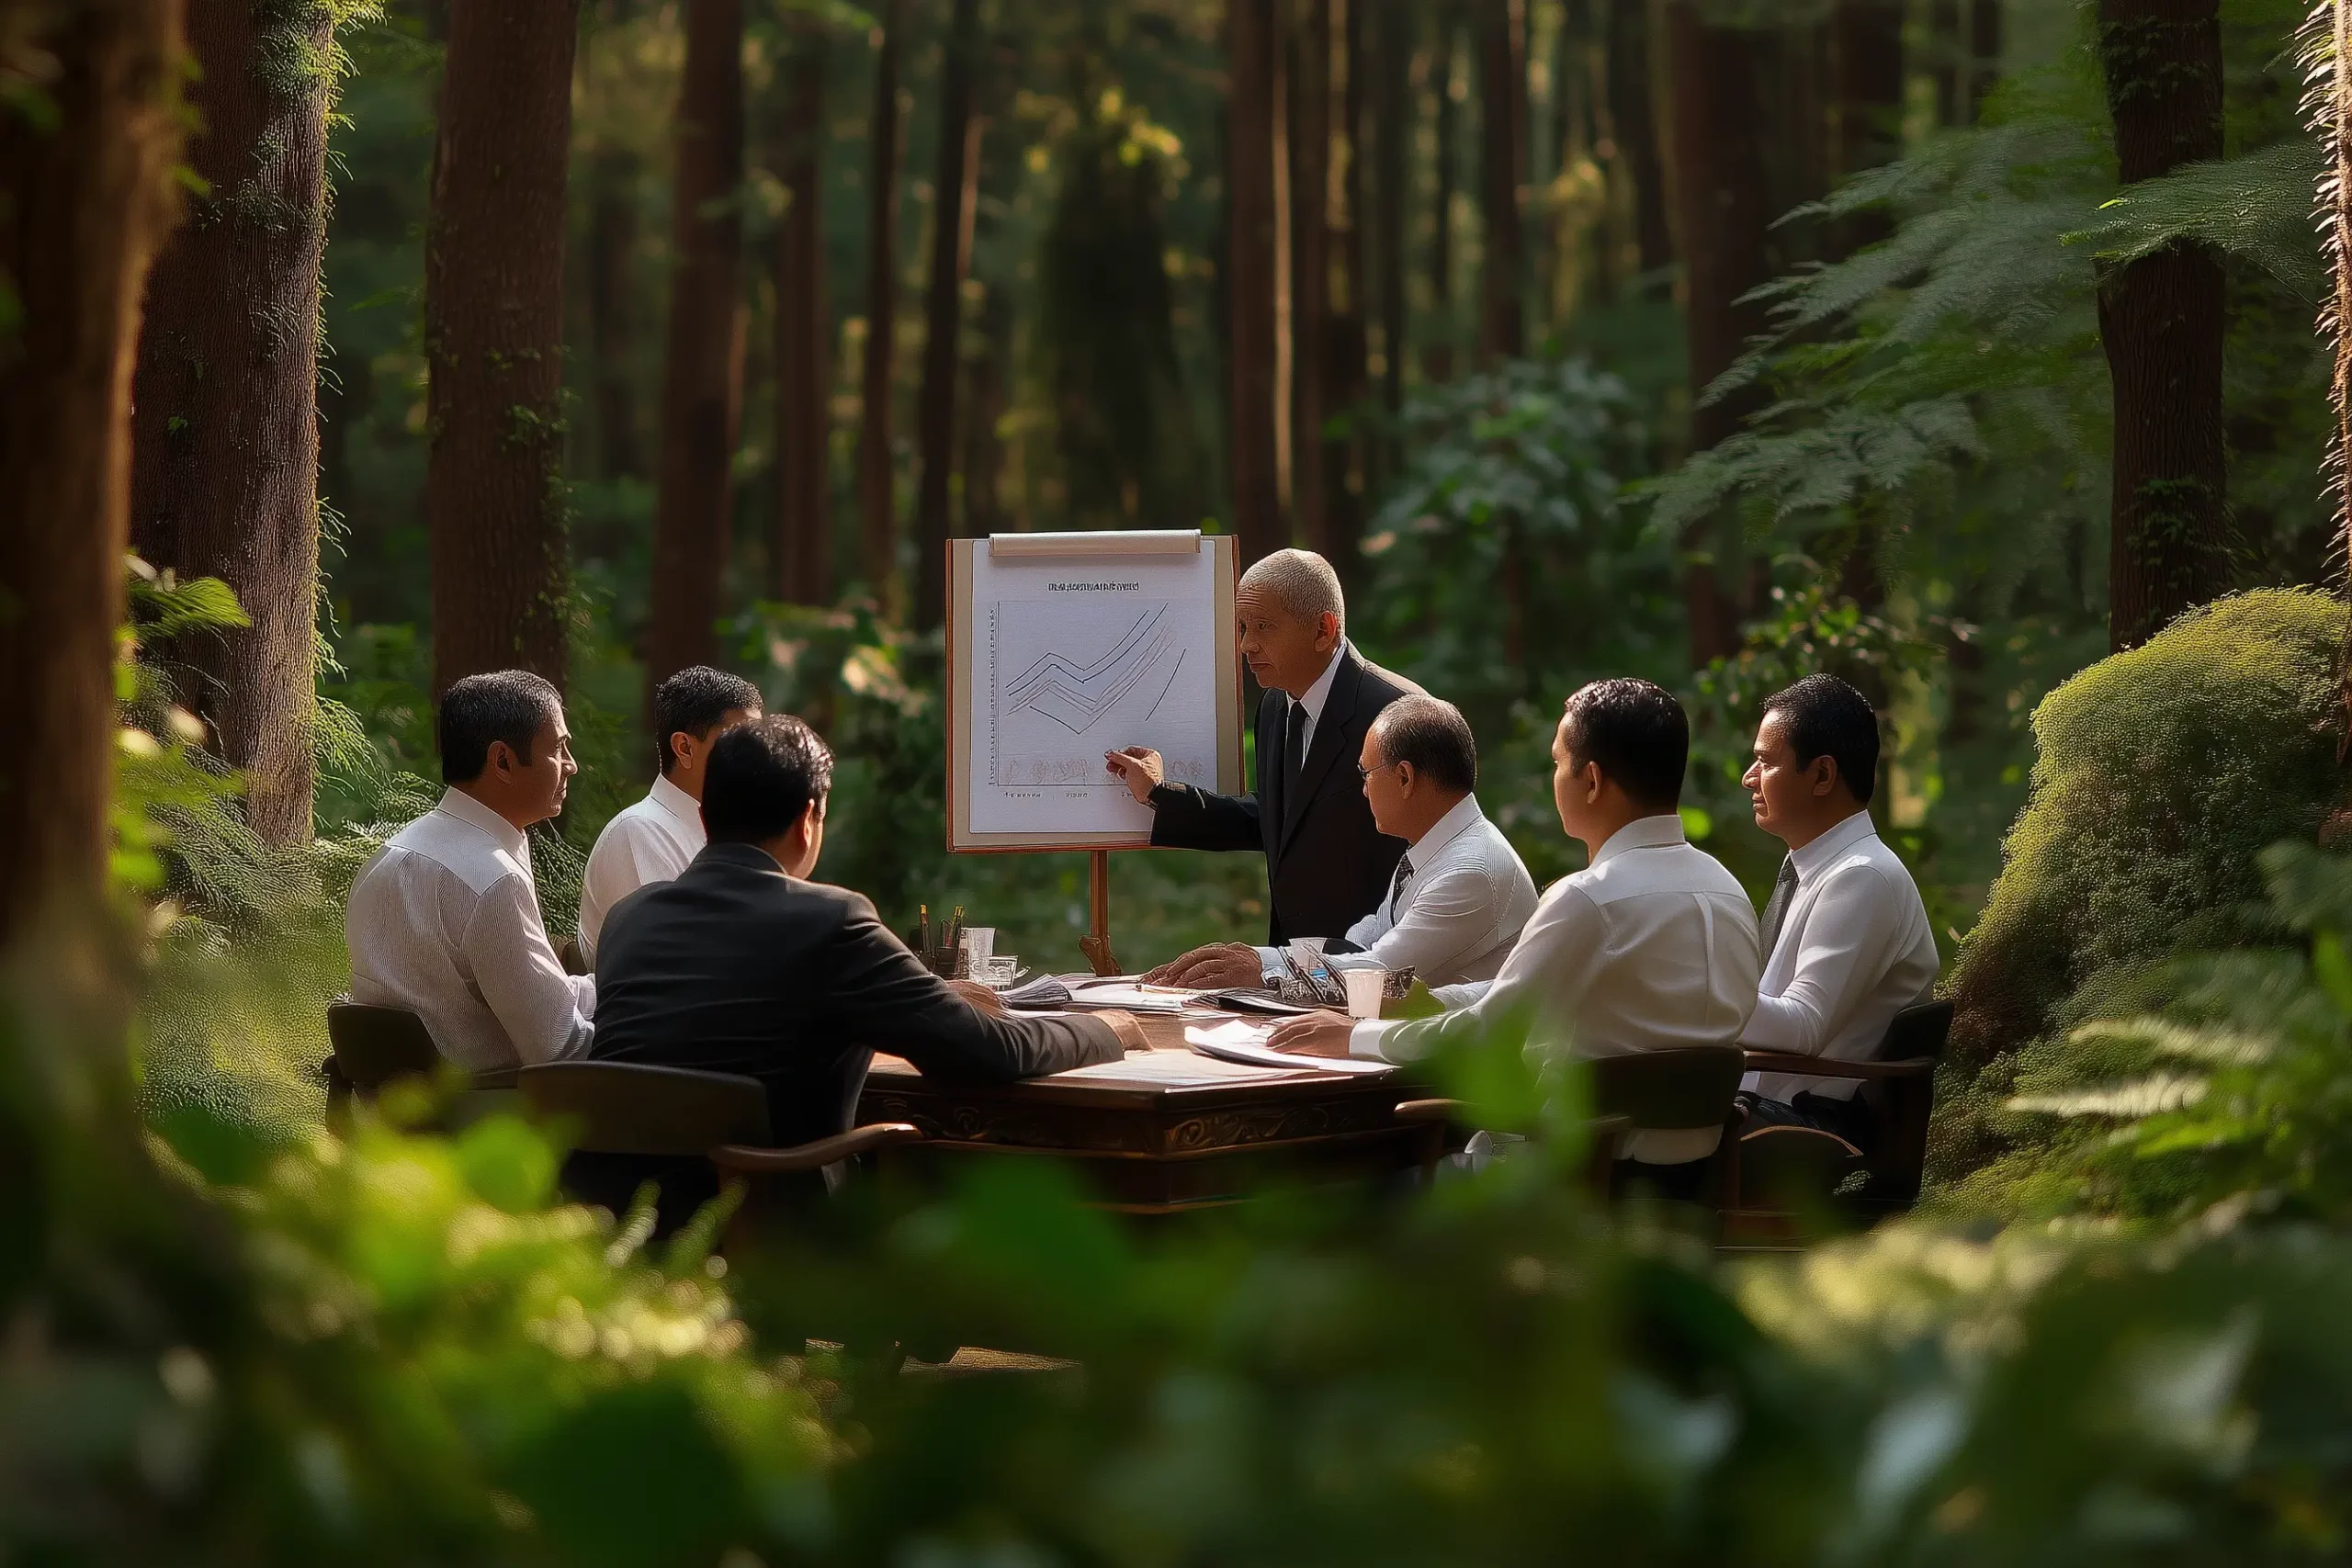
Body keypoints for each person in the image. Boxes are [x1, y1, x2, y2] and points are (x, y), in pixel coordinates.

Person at [1269, 678, 1760, 1167]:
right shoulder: (1729, 893)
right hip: (1698, 1178)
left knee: (1363, 1177)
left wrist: (1352, 1037)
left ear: (1590, 781)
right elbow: (1527, 993)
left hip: (1567, 1178)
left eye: (1557, 763)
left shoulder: (1588, 899)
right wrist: (1433, 1000)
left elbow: (1491, 1031)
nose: (1554, 779)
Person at [592, 714, 1146, 1147]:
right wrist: (1105, 1029)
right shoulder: (831, 922)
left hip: (620, 1232)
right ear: (808, 820)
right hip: (773, 1229)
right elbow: (986, 1052)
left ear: (706, 818)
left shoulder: (628, 920)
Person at [1103, 547, 1419, 944]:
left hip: (1377, 971)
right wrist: (1160, 794)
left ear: (1324, 630)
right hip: (1291, 968)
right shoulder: (1275, 705)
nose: (1246, 645)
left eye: (1264, 627)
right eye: (1243, 627)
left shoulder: (1399, 714)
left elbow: (1437, 851)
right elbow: (1280, 822)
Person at [1145, 694, 1537, 993]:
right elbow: (1356, 945)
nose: (1363, 790)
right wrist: (1258, 957)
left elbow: (1377, 979)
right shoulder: (1438, 849)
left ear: (1404, 778)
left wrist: (1261, 972)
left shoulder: (1470, 871)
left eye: (1366, 773)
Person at [346, 670, 594, 1070]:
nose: (572, 766)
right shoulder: (492, 880)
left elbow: (535, 995)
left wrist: (626, 987)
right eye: (559, 748)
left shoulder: (388, 856)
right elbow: (559, 1047)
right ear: (503, 761)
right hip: (483, 1114)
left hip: (390, 1115)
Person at [1736, 674, 1939, 1146]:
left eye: (1765, 762)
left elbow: (1802, 1026)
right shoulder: (1815, 867)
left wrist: (1693, 994)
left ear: (1823, 775)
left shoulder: (1862, 877)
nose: (1749, 777)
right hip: (1769, 1110)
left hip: (1812, 1126)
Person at [576, 665, 763, 961]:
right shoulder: (638, 833)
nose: (757, 758)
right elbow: (675, 962)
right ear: (685, 747)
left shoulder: (738, 834)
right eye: (740, 743)